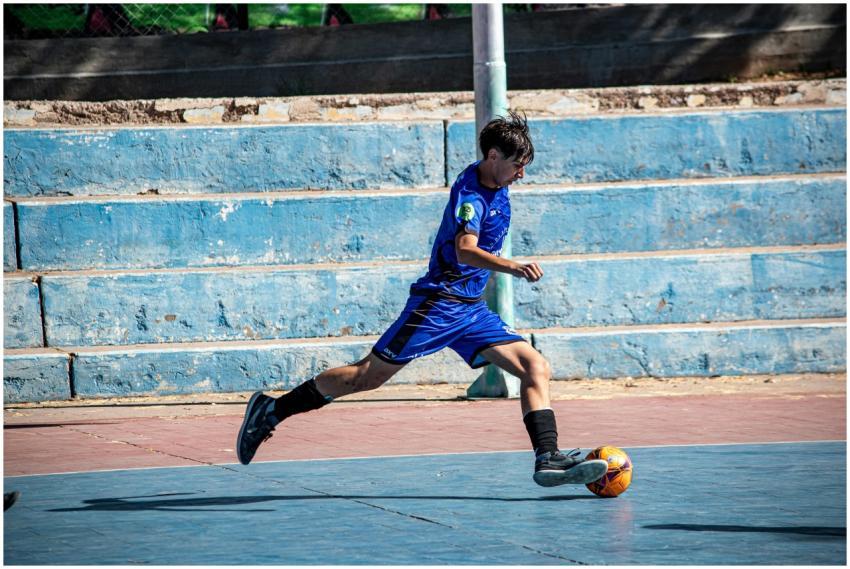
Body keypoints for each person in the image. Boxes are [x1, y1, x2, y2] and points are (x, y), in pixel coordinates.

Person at [236, 111, 607, 487]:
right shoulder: (471, 197)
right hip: (438, 305)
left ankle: (547, 457)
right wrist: (512, 267)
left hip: (471, 310)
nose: (521, 175)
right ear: (493, 156)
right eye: (516, 165)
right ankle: (271, 410)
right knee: (367, 376)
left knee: (535, 366)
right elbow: (464, 250)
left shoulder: (496, 181)